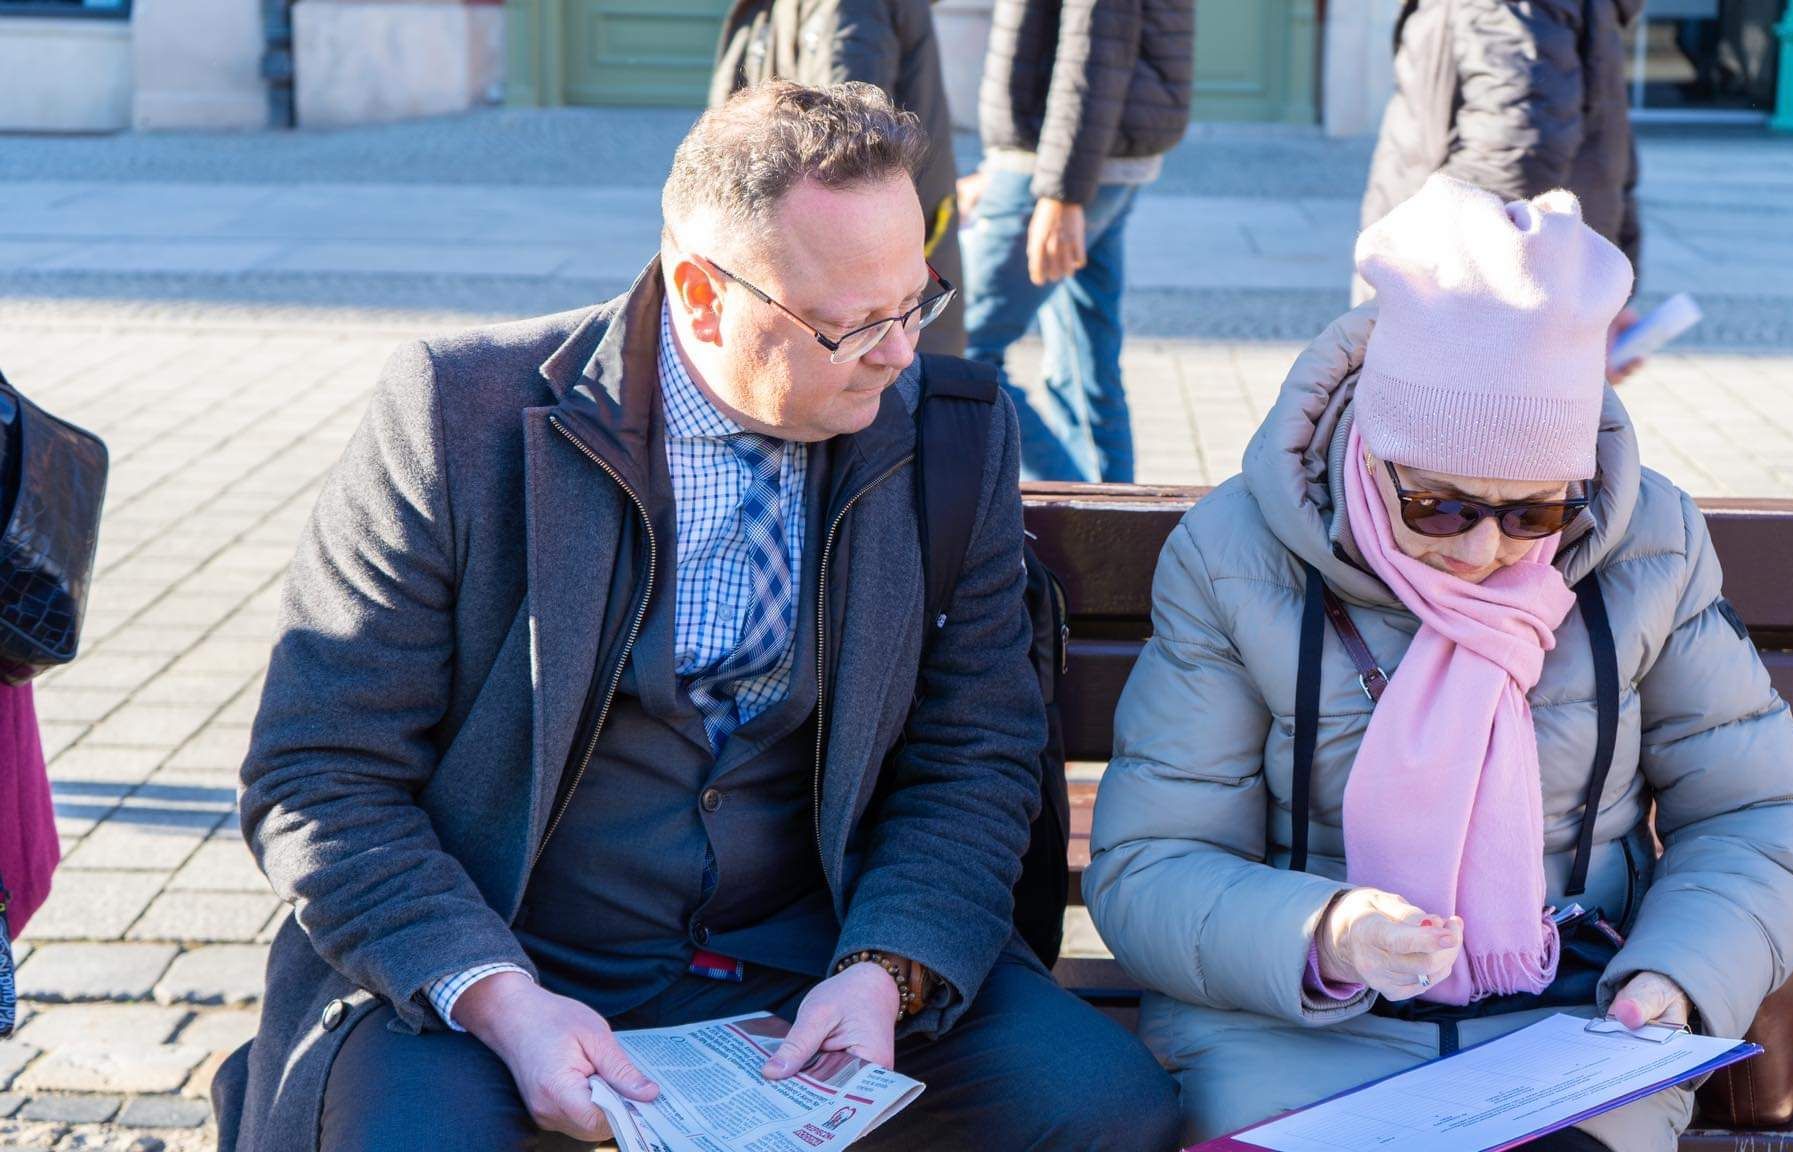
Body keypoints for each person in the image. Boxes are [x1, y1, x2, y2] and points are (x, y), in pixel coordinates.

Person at [216, 81, 1180, 1152]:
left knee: (1099, 1108)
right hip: (510, 954)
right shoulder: (459, 414)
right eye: (850, 323)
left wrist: (885, 971)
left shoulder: (949, 437)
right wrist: (495, 995)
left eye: (916, 300)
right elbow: (320, 773)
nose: (900, 351)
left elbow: (976, 753)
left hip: (817, 958)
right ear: (701, 293)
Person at [1084, 175, 1793, 1150]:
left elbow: (1761, 811)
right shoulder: (1236, 554)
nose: (1482, 552)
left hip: (1575, 1020)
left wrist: (1677, 977)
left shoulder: (1647, 544)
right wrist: (1324, 934)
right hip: (1290, 1025)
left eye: (1533, 512)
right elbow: (1150, 863)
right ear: (1375, 451)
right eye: (1437, 506)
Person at [957, 0, 1195, 483]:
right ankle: (1113, 530)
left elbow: (1094, 47)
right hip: (1085, 158)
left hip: (1066, 164)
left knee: (961, 350)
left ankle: (1071, 512)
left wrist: (1061, 191)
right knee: (1086, 362)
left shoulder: (1065, 181)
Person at [710, 0, 966, 355]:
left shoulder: (844, 7)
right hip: (873, 285)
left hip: (866, 302)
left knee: (926, 395)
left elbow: (843, 151)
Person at [1359, 0, 1644, 295]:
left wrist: (1418, 275)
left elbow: (1515, 148)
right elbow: (1606, 142)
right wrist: (1611, 285)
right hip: (1553, 285)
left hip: (1457, 293)